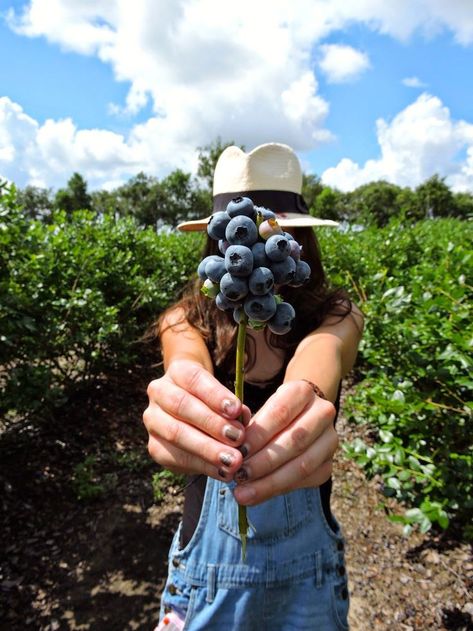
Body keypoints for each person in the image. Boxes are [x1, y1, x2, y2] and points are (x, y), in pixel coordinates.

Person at [143, 143, 364, 630]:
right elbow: (184, 361)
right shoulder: (186, 320)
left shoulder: (335, 317)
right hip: (205, 575)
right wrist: (182, 394)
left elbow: (323, 351)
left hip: (309, 575)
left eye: (278, 236)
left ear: (300, 246)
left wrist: (309, 392)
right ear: (219, 244)